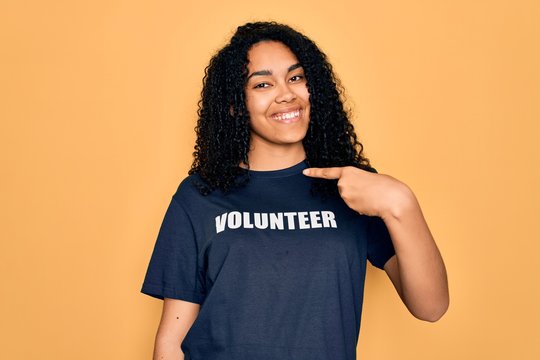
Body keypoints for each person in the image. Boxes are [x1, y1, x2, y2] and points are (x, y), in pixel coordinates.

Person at [141, 21, 449, 360]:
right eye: (262, 84)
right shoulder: (199, 195)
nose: (286, 93)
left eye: (296, 78)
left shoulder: (356, 188)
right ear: (234, 104)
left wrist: (401, 203)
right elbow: (172, 341)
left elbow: (431, 307)